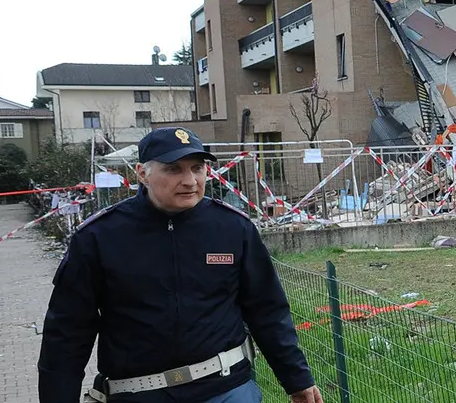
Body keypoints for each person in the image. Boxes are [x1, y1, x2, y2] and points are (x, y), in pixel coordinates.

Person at [37, 127, 323, 403]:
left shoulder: (233, 229)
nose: (189, 180)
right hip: (139, 394)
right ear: (143, 174)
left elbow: (267, 310)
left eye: (197, 168)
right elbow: (67, 333)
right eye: (174, 169)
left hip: (225, 388)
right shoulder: (99, 237)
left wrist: (296, 379)